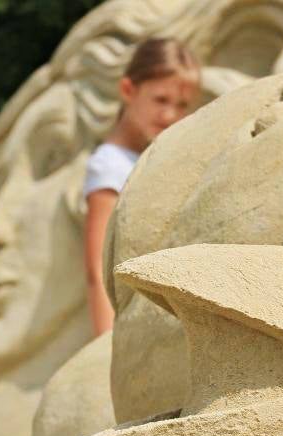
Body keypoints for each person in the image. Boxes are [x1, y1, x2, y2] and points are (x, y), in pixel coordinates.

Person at [83, 38, 200, 334]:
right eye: (160, 100)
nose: (170, 115)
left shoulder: (156, 160)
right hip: (124, 329)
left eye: (182, 105)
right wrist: (104, 350)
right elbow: (98, 271)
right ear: (127, 91)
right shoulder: (109, 165)